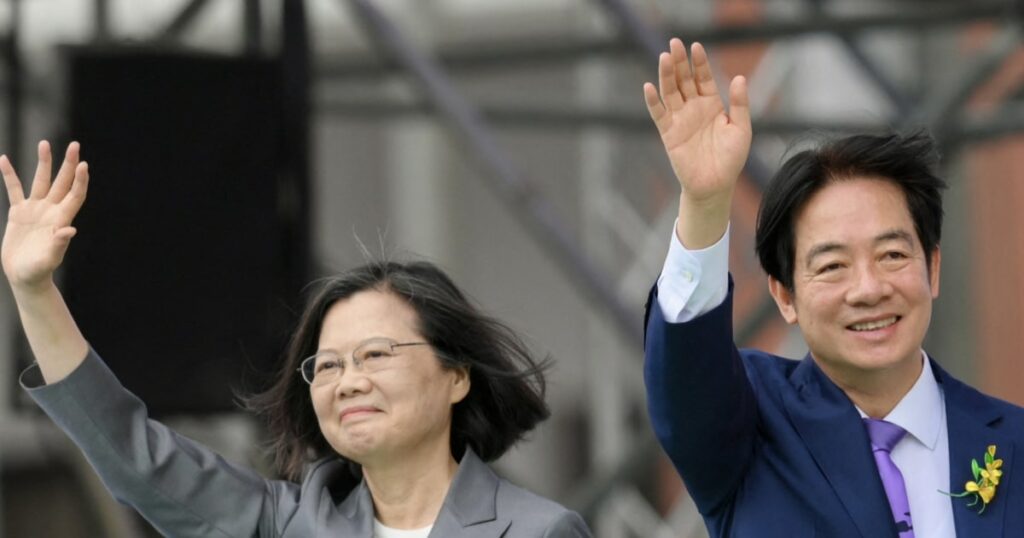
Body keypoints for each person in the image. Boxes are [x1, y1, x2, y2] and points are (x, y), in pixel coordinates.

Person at [4, 141, 591, 537]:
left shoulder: (539, 531)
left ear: (456, 375)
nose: (348, 381)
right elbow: (133, 455)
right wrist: (34, 293)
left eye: (376, 355)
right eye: (327, 366)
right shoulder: (287, 523)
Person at [641, 38, 1024, 537]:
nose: (868, 289)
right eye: (832, 266)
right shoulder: (749, 427)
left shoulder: (1013, 441)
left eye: (891, 255)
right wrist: (706, 201)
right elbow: (685, 380)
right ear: (784, 296)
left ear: (932, 269)